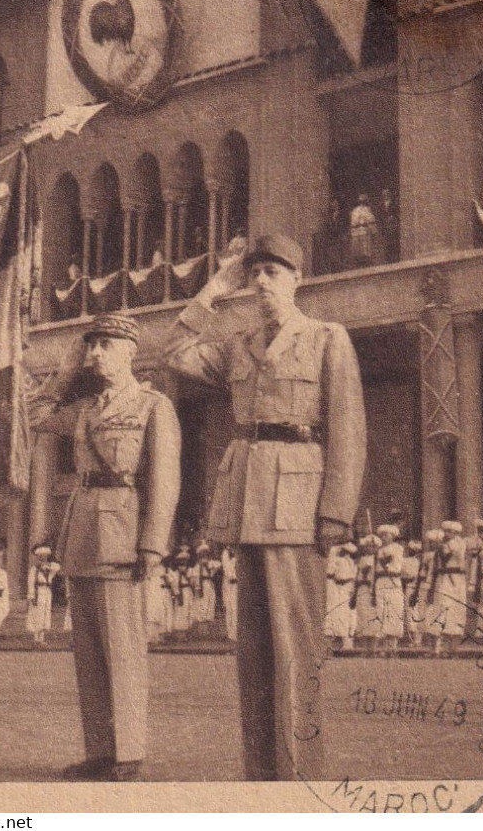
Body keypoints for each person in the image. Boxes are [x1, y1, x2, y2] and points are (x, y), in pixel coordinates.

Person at [164, 232, 367, 781]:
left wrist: (335, 513)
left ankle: (304, 773)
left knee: (297, 647)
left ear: (297, 278)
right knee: (252, 653)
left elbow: (348, 426)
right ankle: (263, 776)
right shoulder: (237, 342)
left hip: (299, 506)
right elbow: (174, 353)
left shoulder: (327, 337)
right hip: (249, 502)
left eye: (273, 272)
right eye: (253, 273)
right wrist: (215, 287)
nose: (261, 282)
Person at [31, 311, 181, 781]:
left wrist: (153, 544)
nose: (96, 352)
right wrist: (68, 365)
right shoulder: (86, 408)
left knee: (122, 649)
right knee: (90, 651)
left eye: (105, 345)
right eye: (90, 345)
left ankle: (129, 753)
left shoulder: (153, 406)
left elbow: (164, 478)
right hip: (82, 535)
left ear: (130, 352)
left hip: (122, 534)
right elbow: (34, 415)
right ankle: (100, 750)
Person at [437, 520, 467, 655]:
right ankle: (444, 647)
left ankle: (454, 648)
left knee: (457, 609)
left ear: (455, 533)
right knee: (445, 608)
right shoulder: (444, 545)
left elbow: (460, 557)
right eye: (446, 531)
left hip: (457, 579)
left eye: (450, 532)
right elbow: (442, 560)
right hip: (446, 579)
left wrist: (449, 548)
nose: (447, 534)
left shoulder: (460, 543)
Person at [374, 524, 404, 655]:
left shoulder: (397, 548)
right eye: (382, 536)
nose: (384, 538)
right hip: (381, 583)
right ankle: (385, 647)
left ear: (392, 536)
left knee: (393, 611)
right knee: (382, 612)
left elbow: (396, 568)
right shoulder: (378, 550)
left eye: (386, 535)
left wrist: (385, 562)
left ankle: (393, 646)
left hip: (393, 582)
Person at [26, 544, 61, 646]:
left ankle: (42, 638)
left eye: (44, 555)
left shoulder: (50, 567)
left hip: (47, 591)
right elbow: (31, 582)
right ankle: (36, 638)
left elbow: (58, 567)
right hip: (38, 592)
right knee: (38, 614)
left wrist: (48, 566)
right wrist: (31, 596)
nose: (42, 557)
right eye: (40, 555)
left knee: (45, 613)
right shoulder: (34, 569)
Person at [353, 535, 381, 653]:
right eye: (367, 546)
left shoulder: (379, 559)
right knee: (363, 616)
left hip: (375, 590)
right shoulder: (362, 560)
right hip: (363, 590)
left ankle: (373, 648)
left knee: (374, 617)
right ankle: (364, 648)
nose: (370, 548)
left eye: (372, 546)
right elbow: (357, 576)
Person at [327, 542, 357, 651]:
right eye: (344, 551)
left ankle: (348, 642)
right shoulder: (334, 557)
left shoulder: (352, 562)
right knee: (333, 613)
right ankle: (329, 643)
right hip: (335, 586)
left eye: (348, 552)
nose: (346, 553)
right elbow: (330, 573)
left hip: (348, 587)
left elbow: (354, 577)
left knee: (348, 614)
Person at [401, 541, 422, 646]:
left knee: (412, 612)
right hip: (407, 588)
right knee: (410, 612)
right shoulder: (406, 561)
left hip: (412, 588)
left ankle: (415, 639)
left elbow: (412, 577)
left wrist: (405, 580)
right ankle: (411, 638)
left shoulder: (415, 562)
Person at [349, 194, 378, 266]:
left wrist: (373, 231)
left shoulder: (367, 209)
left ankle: (365, 263)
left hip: (364, 231)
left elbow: (371, 220)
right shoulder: (356, 210)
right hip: (358, 232)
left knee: (365, 252)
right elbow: (354, 222)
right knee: (359, 252)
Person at [221, 547, 238, 642]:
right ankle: (231, 634)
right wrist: (233, 576)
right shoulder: (226, 552)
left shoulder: (237, 551)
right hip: (230, 584)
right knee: (230, 607)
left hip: (238, 584)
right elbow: (227, 569)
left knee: (236, 608)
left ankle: (236, 633)